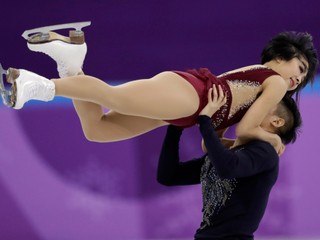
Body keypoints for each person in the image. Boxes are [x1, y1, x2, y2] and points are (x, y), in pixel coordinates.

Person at [1, 29, 317, 153]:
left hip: (187, 111)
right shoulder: (274, 82)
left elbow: (213, 146)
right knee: (115, 96)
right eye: (300, 69)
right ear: (284, 56)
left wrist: (233, 142)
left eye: (303, 78)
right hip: (191, 95)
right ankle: (35, 85)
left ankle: (70, 64)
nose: (298, 81)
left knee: (98, 130)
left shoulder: (259, 83)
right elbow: (250, 129)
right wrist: (273, 138)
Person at [157, 86, 302, 240]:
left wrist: (205, 121)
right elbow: (169, 176)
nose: (253, 106)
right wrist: (176, 128)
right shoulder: (232, 153)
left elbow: (227, 168)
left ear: (277, 121)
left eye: (263, 104)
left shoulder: (265, 152)